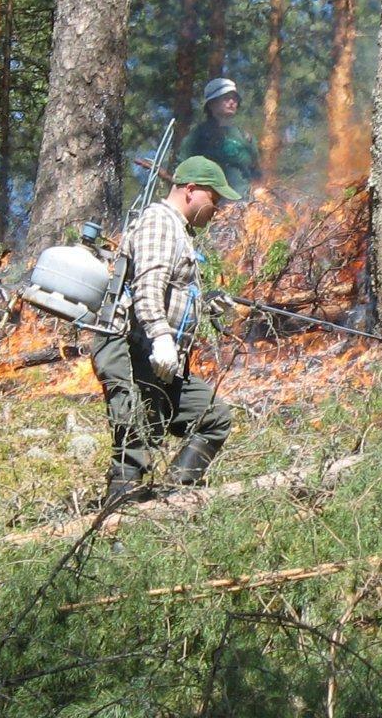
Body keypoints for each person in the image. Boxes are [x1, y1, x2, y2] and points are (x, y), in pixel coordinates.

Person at [91, 156, 240, 504]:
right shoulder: (160, 223)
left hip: (158, 358)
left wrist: (206, 304)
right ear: (190, 190)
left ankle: (171, 501)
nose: (216, 208)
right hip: (131, 347)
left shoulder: (179, 231)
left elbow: (171, 291)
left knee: (213, 417)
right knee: (136, 440)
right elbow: (147, 287)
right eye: (213, 198)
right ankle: (118, 530)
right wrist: (161, 337)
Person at [179, 78, 259, 197]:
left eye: (234, 98)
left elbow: (256, 172)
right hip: (209, 204)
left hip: (243, 204)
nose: (232, 102)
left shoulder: (246, 138)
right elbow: (184, 170)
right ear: (211, 104)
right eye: (226, 98)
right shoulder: (198, 136)